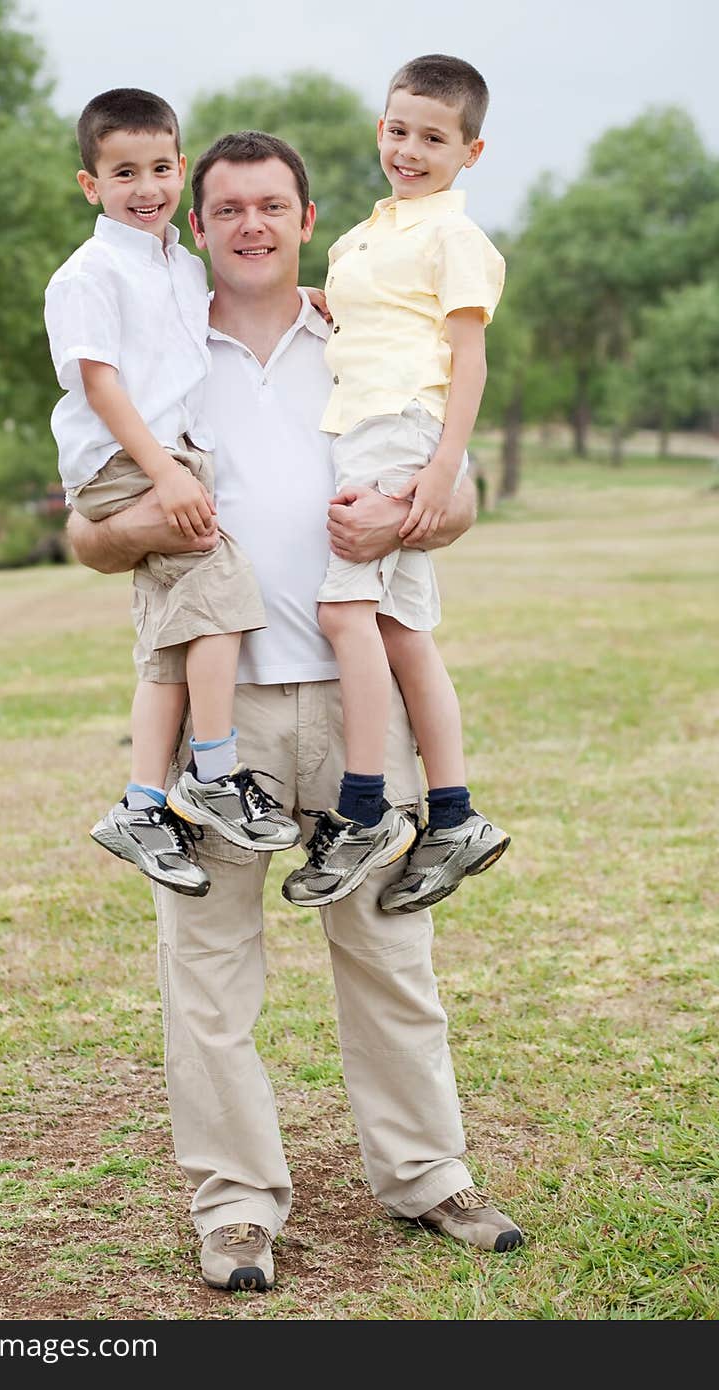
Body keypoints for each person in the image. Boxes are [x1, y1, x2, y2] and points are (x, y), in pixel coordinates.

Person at [68, 131, 524, 1292]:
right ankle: (234, 1207)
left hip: (350, 699)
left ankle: (427, 1175)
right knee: (207, 972)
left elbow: (453, 491)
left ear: (309, 218)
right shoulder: (157, 349)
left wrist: (410, 519)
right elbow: (84, 532)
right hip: (217, 718)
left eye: (273, 206)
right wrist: (148, 523)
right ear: (197, 225)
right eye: (229, 210)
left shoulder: (362, 333)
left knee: (386, 951)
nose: (252, 225)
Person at [44, 88, 300, 902]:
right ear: (91, 185)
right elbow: (101, 383)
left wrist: (317, 300)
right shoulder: (90, 274)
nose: (146, 186)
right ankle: (215, 774)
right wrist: (163, 472)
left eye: (160, 167)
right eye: (124, 173)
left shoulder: (178, 266)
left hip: (168, 455)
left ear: (179, 168)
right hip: (128, 458)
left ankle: (142, 802)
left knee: (170, 642)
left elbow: (214, 320)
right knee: (225, 590)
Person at [283, 55, 510, 915]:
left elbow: (467, 357)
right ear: (381, 127)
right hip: (365, 427)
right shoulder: (363, 237)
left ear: (470, 151)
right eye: (398, 129)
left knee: (343, 611)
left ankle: (368, 807)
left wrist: (440, 473)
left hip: (402, 431)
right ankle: (454, 816)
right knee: (402, 629)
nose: (410, 150)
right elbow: (374, 316)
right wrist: (323, 302)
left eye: (433, 138)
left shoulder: (456, 238)